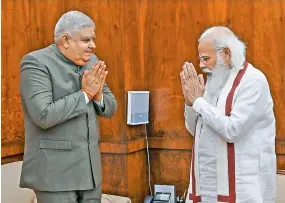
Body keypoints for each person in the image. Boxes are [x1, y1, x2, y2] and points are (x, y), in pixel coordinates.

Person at [19, 10, 117, 203]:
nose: (93, 45)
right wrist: (85, 95)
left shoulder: (93, 61)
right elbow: (43, 115)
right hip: (55, 177)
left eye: (93, 40)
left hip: (91, 176)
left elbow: (111, 107)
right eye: (86, 40)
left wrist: (98, 97)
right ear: (65, 40)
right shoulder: (36, 62)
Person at [180, 26, 276, 203]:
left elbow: (232, 130)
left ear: (225, 53)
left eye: (205, 58)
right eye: (200, 59)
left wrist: (198, 102)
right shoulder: (215, 80)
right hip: (206, 185)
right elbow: (195, 131)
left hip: (242, 189)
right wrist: (190, 103)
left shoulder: (253, 81)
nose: (201, 65)